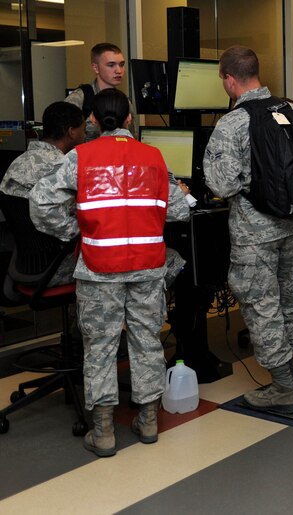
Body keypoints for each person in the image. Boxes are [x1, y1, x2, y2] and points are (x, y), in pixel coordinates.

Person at [29, 88, 191, 457]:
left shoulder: (80, 157)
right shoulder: (153, 157)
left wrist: (75, 229)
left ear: (92, 121)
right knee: (147, 340)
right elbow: (179, 210)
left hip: (100, 267)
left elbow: (40, 204)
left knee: (100, 346)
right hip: (149, 266)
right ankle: (148, 420)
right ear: (130, 119)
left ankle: (103, 431)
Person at [203, 46, 293, 414]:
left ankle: (282, 387)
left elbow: (220, 183)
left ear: (228, 79)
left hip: (256, 231)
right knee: (290, 302)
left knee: (262, 305)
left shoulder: (232, 123)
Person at [1, 102, 85, 287]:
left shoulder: (18, 162)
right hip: (56, 267)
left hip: (25, 263)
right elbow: (70, 228)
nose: (85, 135)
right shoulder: (63, 168)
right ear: (71, 132)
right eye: (83, 130)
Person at [64, 42, 136, 141]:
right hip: (86, 155)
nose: (119, 70)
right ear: (96, 68)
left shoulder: (124, 102)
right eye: (111, 65)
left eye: (121, 64)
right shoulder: (79, 99)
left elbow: (133, 140)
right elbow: (64, 141)